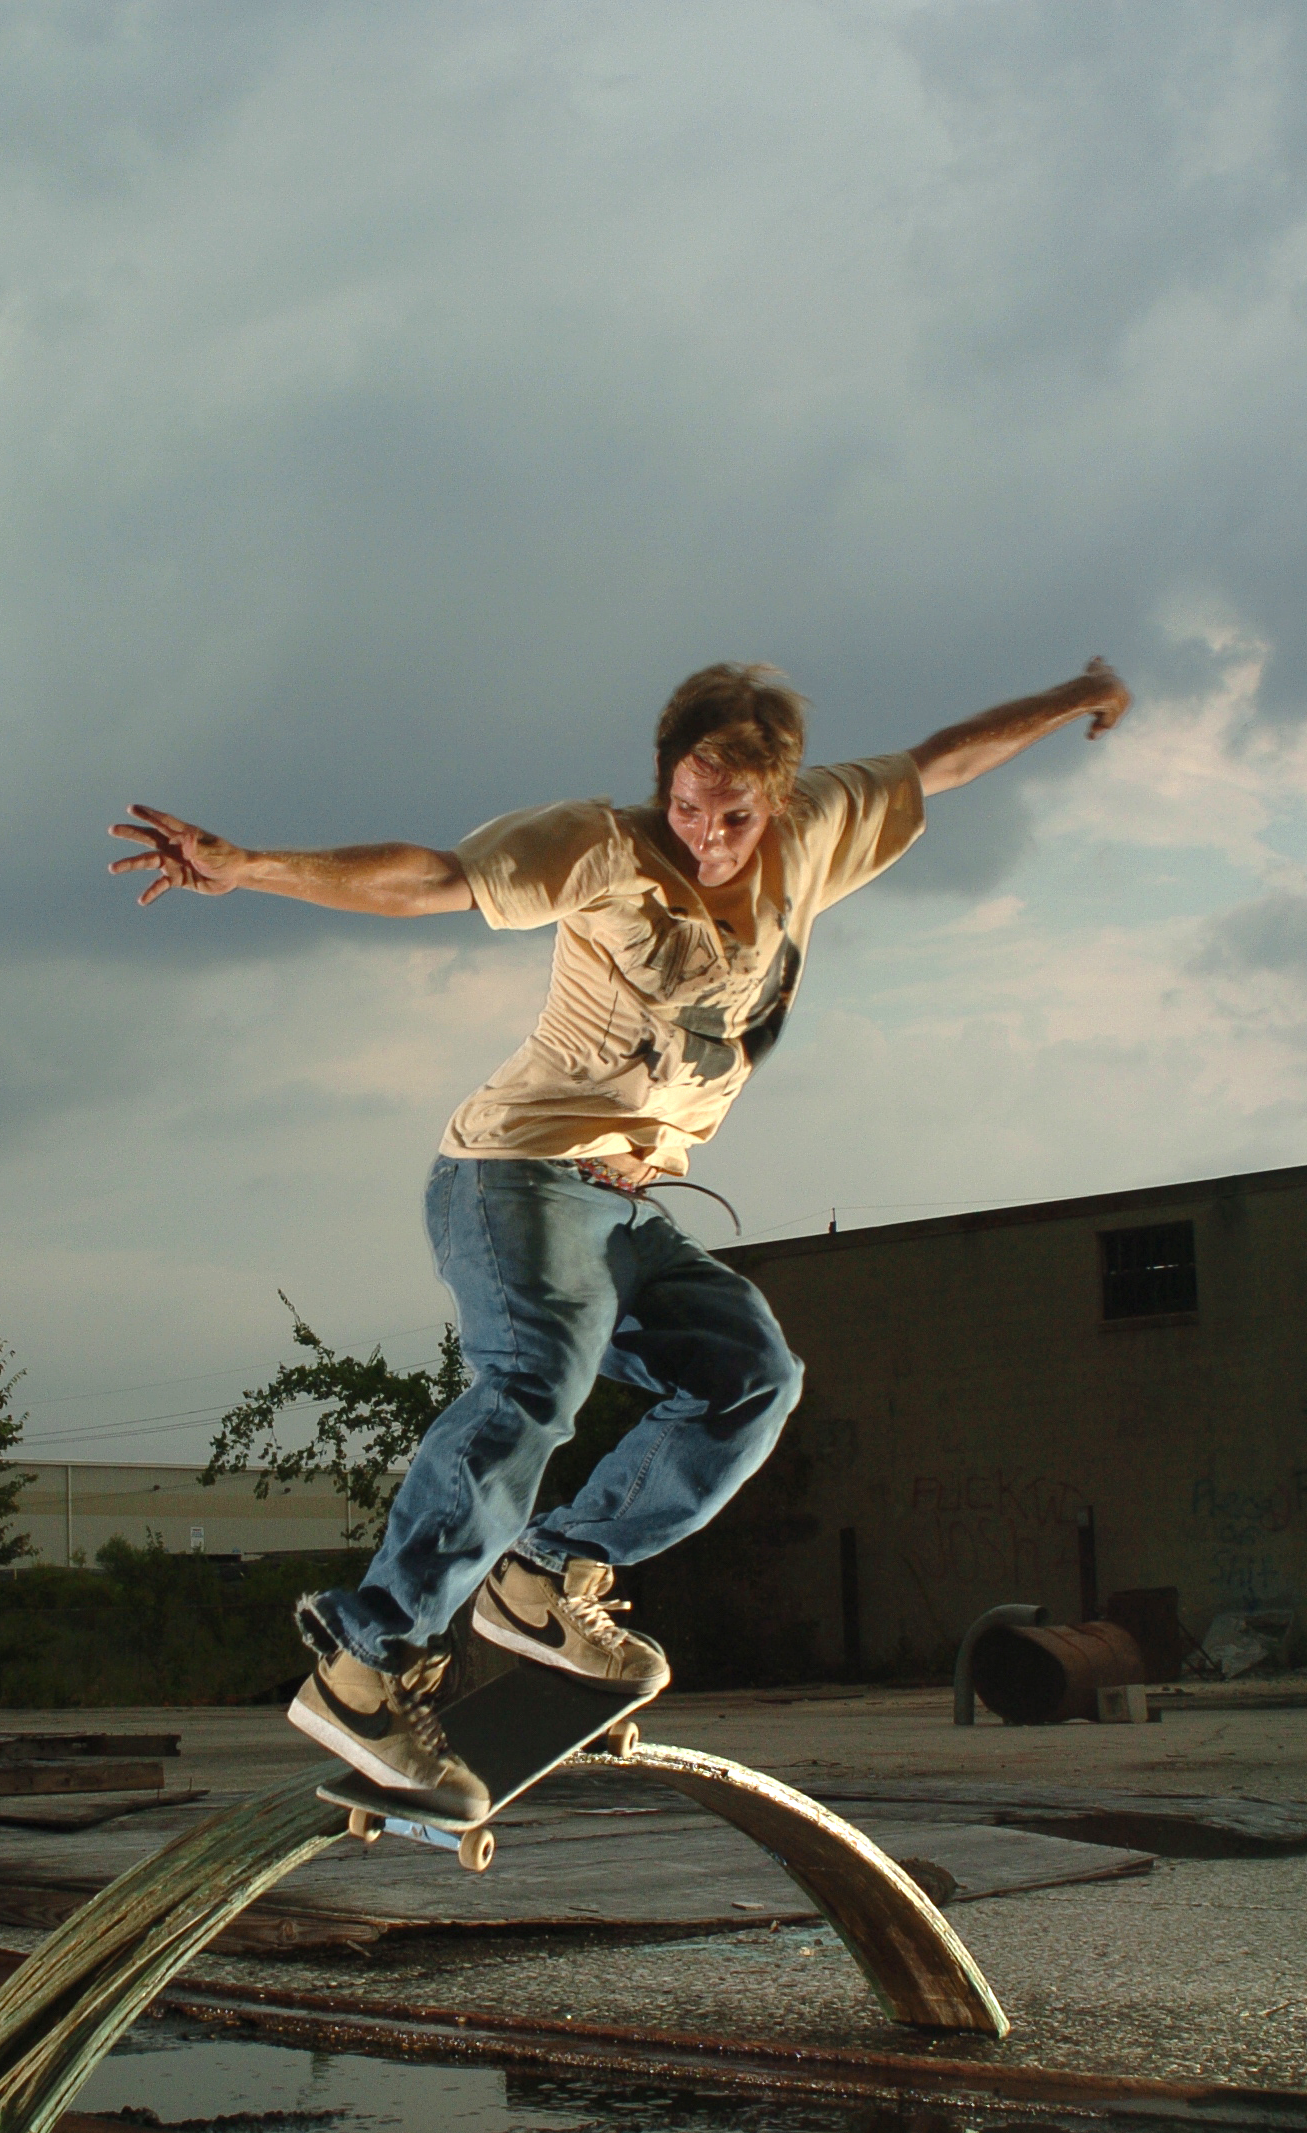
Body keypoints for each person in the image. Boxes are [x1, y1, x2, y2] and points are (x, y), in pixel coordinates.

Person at [110, 655, 1130, 1818]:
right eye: (686, 806)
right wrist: (253, 867)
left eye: (733, 816)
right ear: (662, 783)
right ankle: (365, 1659)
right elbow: (434, 878)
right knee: (534, 1383)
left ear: (781, 801)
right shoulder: (597, 847)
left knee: (751, 1378)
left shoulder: (823, 829)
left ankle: (544, 1579)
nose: (705, 836)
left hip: (629, 1207)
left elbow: (946, 758)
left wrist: (1074, 696)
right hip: (514, 1179)